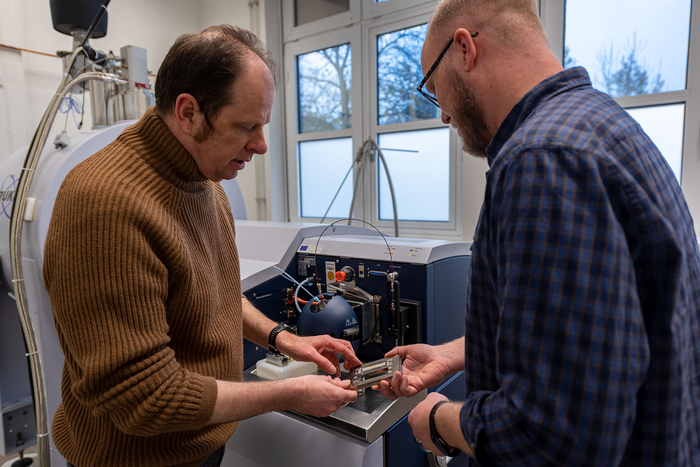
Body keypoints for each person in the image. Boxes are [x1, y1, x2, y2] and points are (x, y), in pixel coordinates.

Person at [377, 1, 700, 465]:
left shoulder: (541, 161)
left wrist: (438, 420)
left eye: (433, 87)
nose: (442, 115)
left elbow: (551, 437)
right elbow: (596, 337)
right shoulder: (603, 126)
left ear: (465, 48)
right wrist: (451, 355)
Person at [43, 25, 360, 467]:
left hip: (198, 446)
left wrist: (283, 339)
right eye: (246, 126)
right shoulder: (105, 204)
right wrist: (288, 393)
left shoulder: (207, 183)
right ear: (188, 112)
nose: (262, 146)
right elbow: (144, 398)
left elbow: (216, 295)